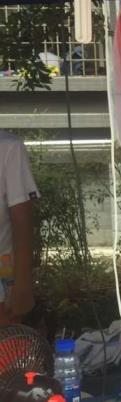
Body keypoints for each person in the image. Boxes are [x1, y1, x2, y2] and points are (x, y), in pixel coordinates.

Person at [0, 129, 39, 326]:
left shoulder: (8, 147)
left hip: (2, 282)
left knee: (6, 343)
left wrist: (23, 283)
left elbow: (22, 220)